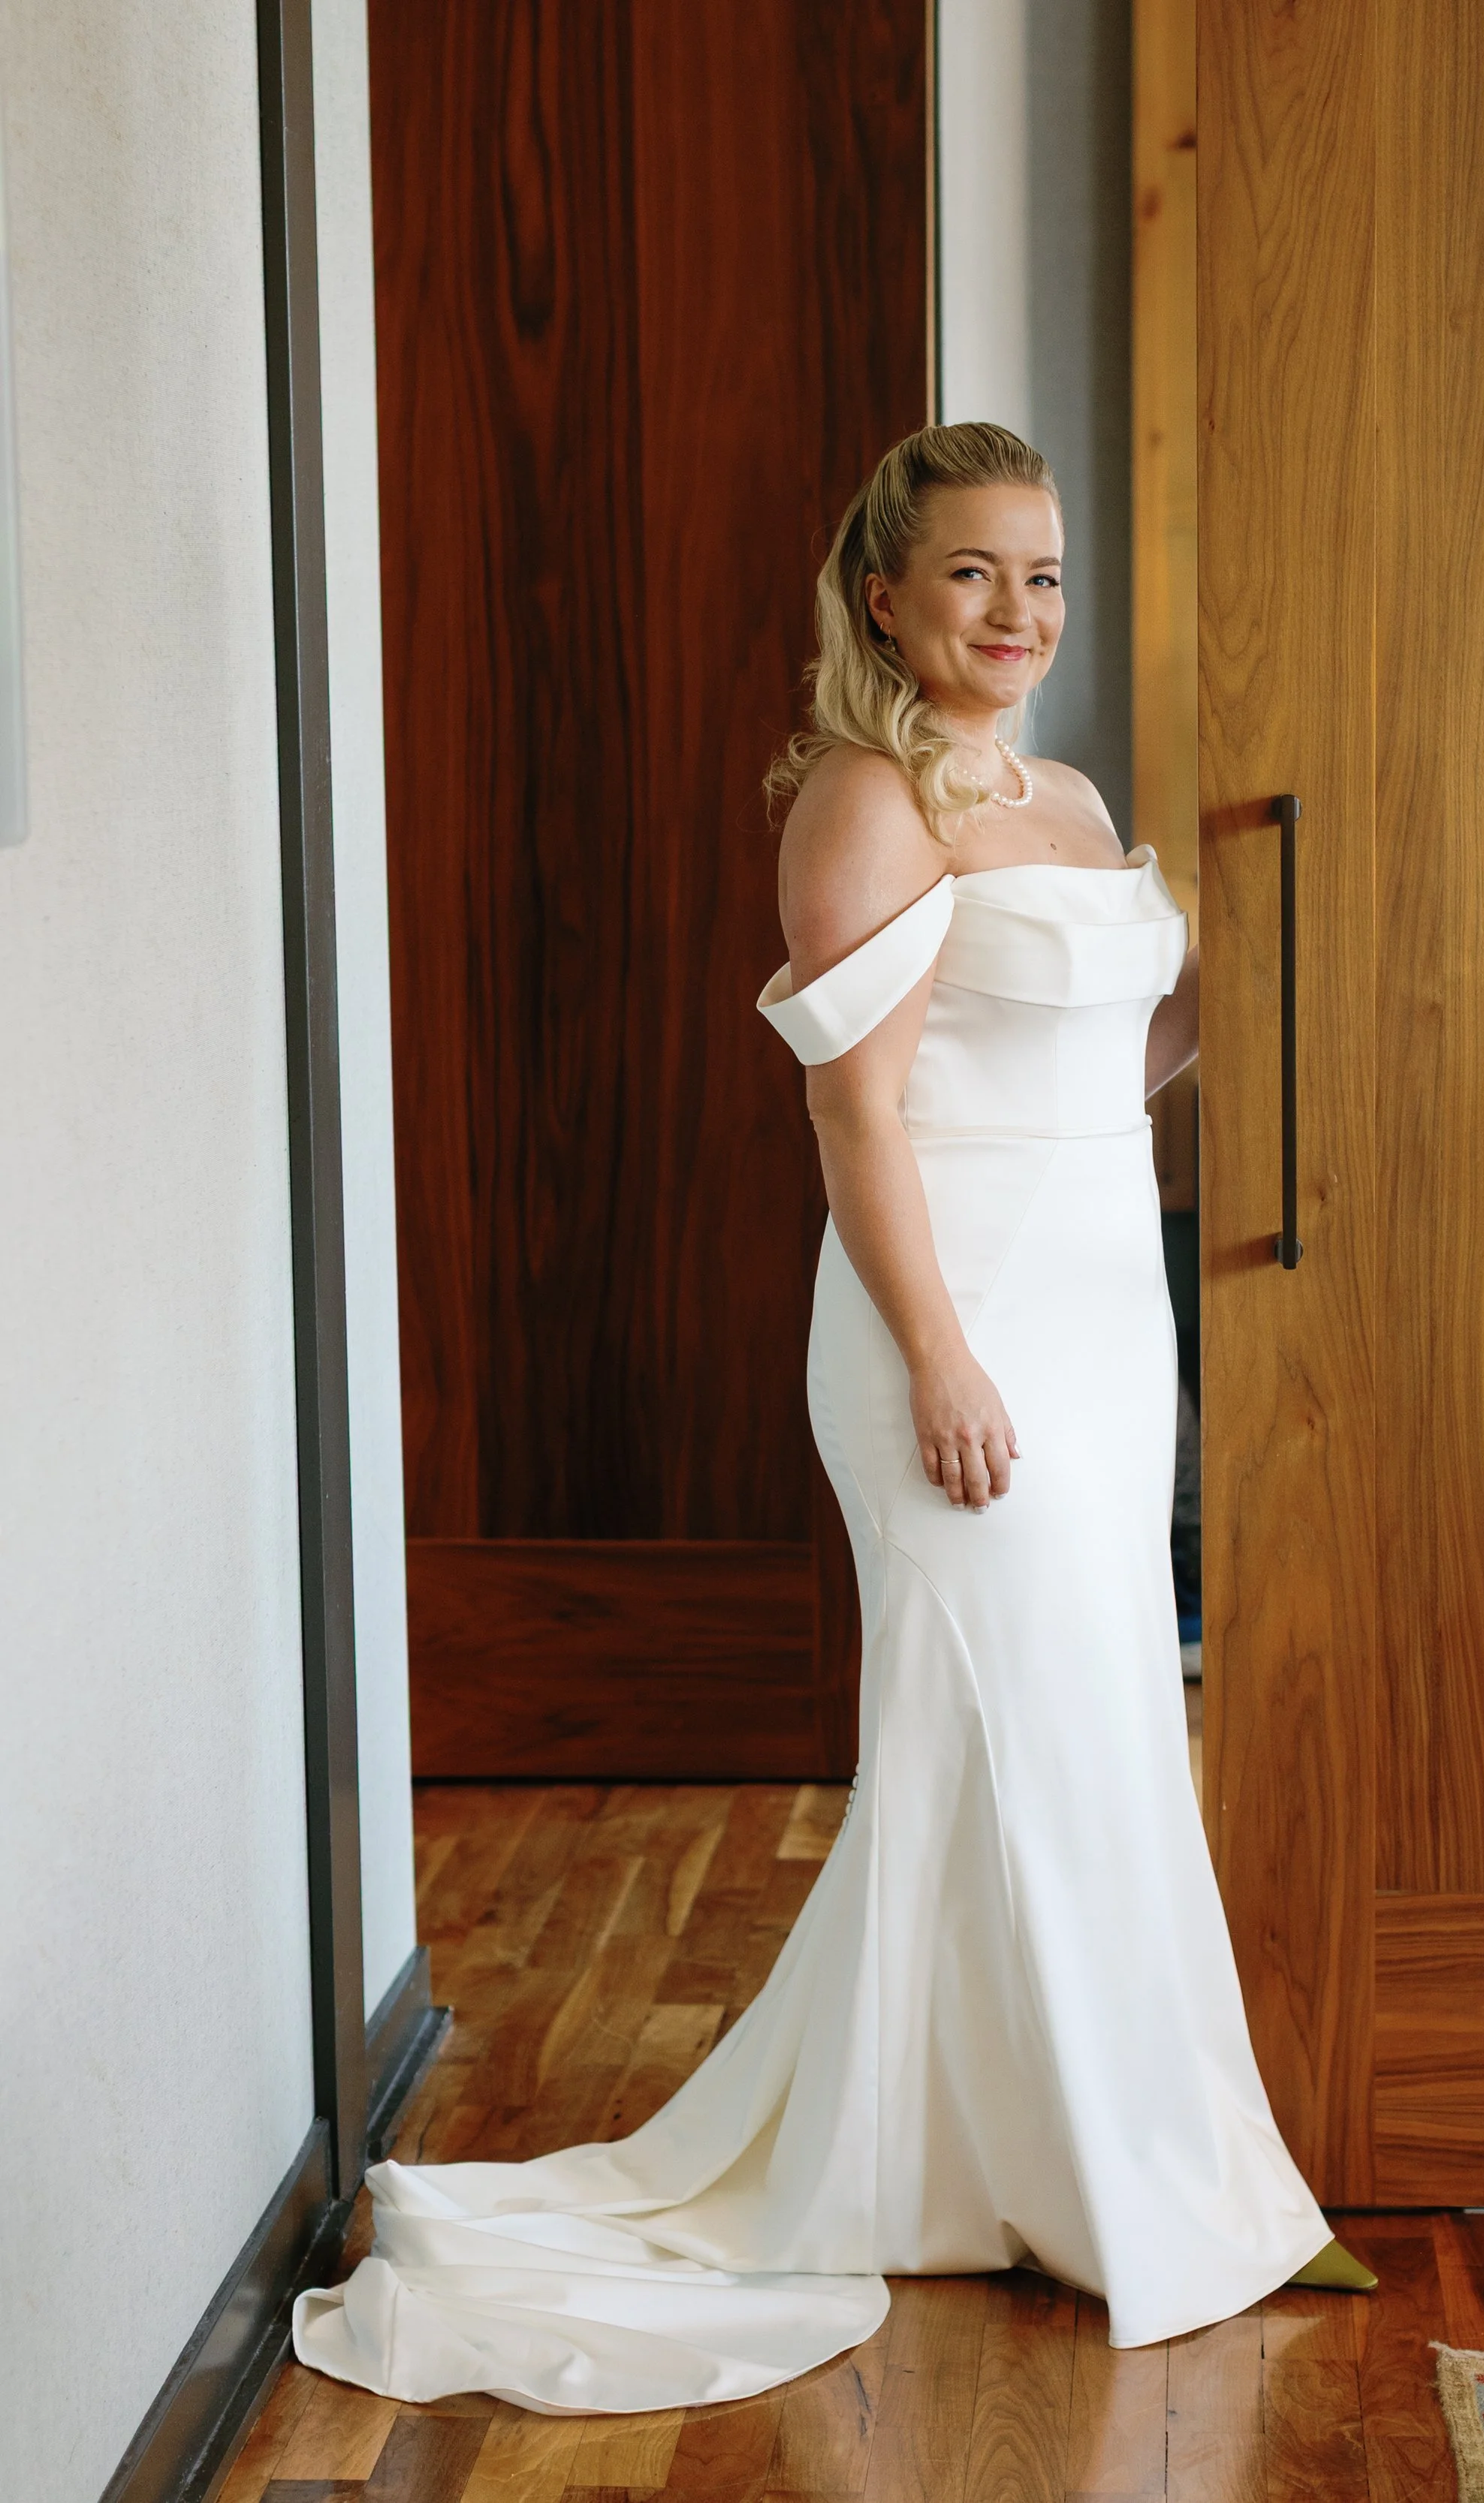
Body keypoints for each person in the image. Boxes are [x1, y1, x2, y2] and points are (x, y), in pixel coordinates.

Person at [293, 421, 1368, 2414]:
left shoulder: (1060, 792)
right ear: (881, 590)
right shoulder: (862, 804)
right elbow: (854, 1110)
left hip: (1100, 1314)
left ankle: (1012, 2155)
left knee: (1099, 1708)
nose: (1014, 614)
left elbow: (1112, 1067)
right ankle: (1090, 2173)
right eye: (970, 574)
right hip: (932, 1316)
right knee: (1016, 1711)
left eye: (1040, 577)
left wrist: (1241, 956)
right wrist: (944, 1357)